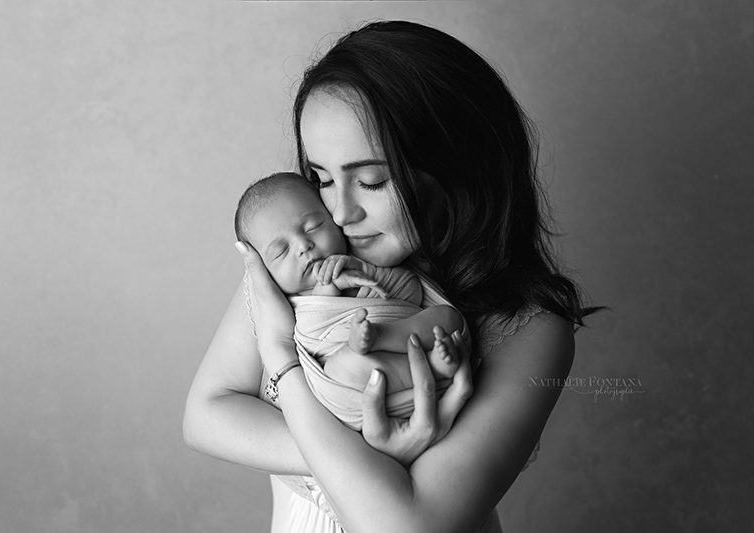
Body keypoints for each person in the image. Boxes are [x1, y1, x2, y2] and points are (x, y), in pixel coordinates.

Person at [184, 20, 598, 533]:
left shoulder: (528, 329)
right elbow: (205, 415)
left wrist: (281, 363)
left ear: (455, 169)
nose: (338, 212)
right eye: (322, 179)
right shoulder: (305, 266)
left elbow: (406, 526)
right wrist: (371, 456)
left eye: (372, 180)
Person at [234, 171, 466, 429]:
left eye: (313, 227)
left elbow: (411, 293)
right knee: (344, 368)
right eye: (282, 251)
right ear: (265, 271)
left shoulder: (368, 259)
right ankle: (431, 367)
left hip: (406, 340)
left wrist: (369, 273)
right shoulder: (287, 305)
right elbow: (310, 335)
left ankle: (389, 338)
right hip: (361, 391)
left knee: (449, 316)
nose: (303, 245)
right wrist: (327, 288)